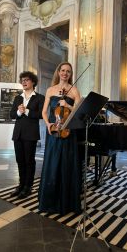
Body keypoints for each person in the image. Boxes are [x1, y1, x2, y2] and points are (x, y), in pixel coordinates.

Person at [38, 62, 82, 215]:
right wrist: (48, 124)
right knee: (52, 164)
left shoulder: (74, 90)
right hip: (54, 131)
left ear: (71, 74)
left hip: (68, 133)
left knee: (66, 165)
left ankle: (67, 202)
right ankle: (50, 200)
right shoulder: (50, 90)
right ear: (58, 72)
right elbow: (44, 112)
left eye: (68, 71)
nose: (65, 73)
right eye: (62, 70)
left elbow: (79, 112)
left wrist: (68, 105)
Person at [10, 71, 45, 199]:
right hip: (18, 134)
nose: (24, 82)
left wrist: (28, 111)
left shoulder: (39, 97)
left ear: (33, 82)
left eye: (26, 80)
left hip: (30, 134)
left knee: (29, 161)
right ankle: (21, 185)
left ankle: (28, 187)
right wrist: (19, 112)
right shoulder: (18, 98)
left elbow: (42, 114)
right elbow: (12, 114)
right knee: (20, 160)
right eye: (22, 80)